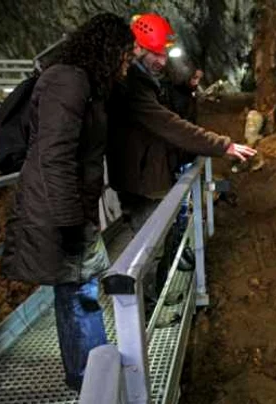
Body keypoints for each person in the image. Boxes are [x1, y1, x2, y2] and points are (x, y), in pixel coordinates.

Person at [1, 13, 135, 392]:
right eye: (125, 56)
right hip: (60, 209)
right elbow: (54, 156)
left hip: (73, 207)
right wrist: (70, 223)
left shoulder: (84, 83)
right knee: (78, 290)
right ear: (109, 50)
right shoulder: (68, 81)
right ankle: (90, 379)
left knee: (80, 286)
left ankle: (91, 372)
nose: (126, 65)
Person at [106, 13, 256, 302]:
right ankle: (145, 311)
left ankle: (152, 299)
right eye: (156, 54)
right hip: (141, 180)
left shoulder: (144, 79)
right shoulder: (132, 86)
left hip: (148, 173)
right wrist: (221, 144)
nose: (163, 61)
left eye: (164, 53)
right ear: (136, 48)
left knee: (156, 240)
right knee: (149, 248)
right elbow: (169, 124)